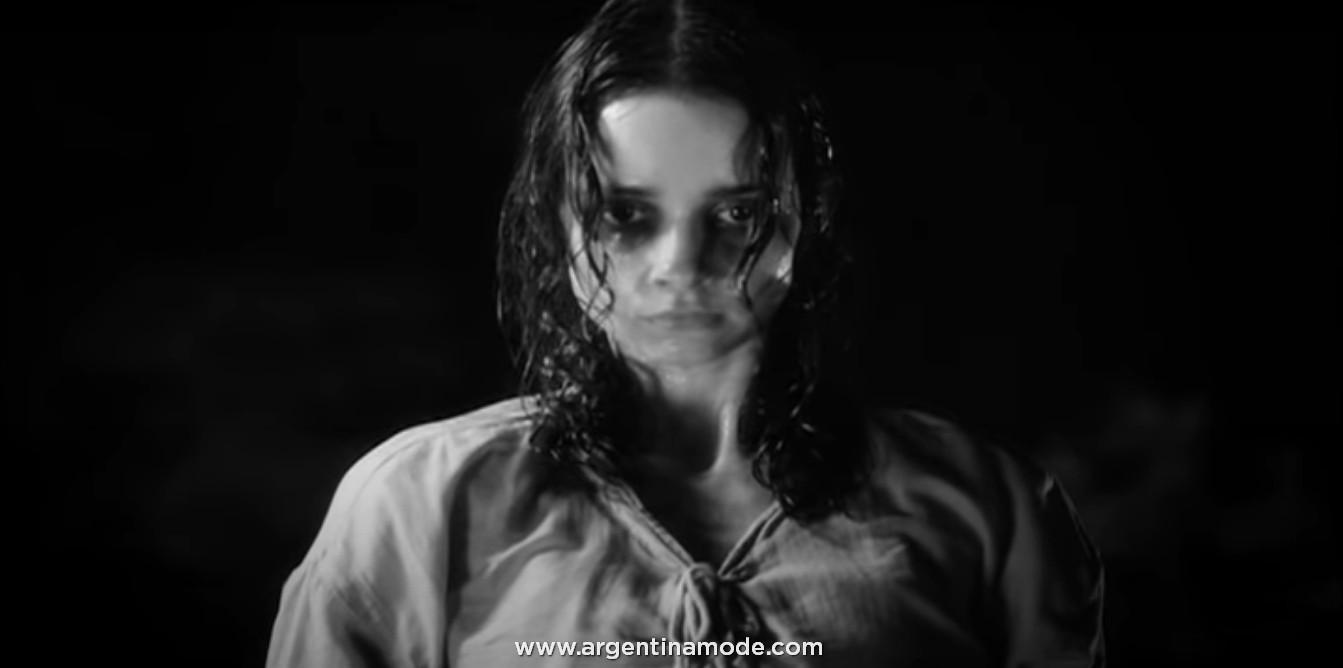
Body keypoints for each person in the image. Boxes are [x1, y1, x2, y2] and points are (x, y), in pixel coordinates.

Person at [265, 0, 1106, 665]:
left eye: (737, 213)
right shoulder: (421, 505)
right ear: (557, 220)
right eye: (625, 215)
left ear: (806, 217)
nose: (679, 263)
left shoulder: (982, 512)